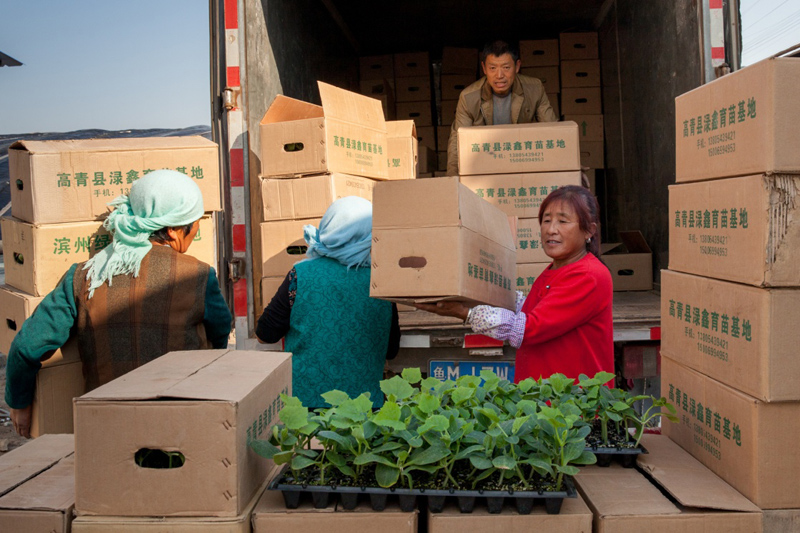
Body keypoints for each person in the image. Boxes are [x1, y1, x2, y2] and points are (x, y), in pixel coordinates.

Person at [5, 170, 232, 437]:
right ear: (172, 230)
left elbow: (26, 346)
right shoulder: (199, 275)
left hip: (105, 428)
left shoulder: (84, 275)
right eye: (194, 224)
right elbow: (220, 332)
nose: (197, 230)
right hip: (181, 424)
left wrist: (19, 404)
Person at [416, 185, 613, 382]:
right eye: (546, 220)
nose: (551, 230)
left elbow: (528, 329)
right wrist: (473, 299)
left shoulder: (588, 275)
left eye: (562, 221)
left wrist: (466, 313)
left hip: (574, 404)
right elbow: (533, 310)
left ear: (589, 230)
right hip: (546, 399)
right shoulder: (555, 269)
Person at [256, 196, 399, 409]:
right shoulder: (382, 281)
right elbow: (391, 350)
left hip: (306, 411)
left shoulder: (301, 274)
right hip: (364, 412)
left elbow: (265, 334)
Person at [446, 39, 559, 176]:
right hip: (484, 164)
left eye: (506, 68)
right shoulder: (469, 97)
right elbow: (457, 143)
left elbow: (553, 131)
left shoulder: (534, 89)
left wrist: (571, 166)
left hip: (522, 161)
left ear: (517, 67)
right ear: (484, 68)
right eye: (492, 68)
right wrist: (453, 182)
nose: (499, 76)